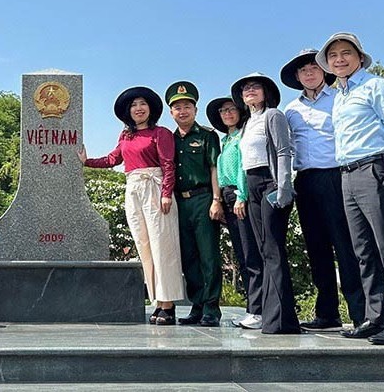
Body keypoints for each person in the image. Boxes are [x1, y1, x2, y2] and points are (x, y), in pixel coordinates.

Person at [316, 32, 384, 345]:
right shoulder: (340, 96)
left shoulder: (376, 86)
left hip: (374, 168)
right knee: (363, 251)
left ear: (360, 57)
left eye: (346, 53)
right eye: (333, 56)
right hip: (346, 175)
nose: (339, 59)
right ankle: (375, 318)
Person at [79, 87, 185, 325]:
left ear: (150, 109)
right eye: (134, 105)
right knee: (144, 246)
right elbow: (113, 159)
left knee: (162, 245)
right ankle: (156, 301)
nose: (138, 108)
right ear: (129, 111)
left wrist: (166, 194)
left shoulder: (161, 133)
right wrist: (86, 162)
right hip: (133, 187)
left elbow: (169, 164)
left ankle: (168, 304)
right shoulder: (125, 136)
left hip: (155, 188)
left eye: (142, 104)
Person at [281, 49, 365, 332]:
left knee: (345, 245)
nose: (309, 72)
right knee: (316, 248)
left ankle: (360, 313)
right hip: (305, 180)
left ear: (324, 70)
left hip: (336, 177)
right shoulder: (291, 110)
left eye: (313, 67)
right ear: (297, 76)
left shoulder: (340, 99)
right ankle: (327, 313)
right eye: (303, 70)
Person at [230, 73, 299, 334]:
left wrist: (283, 189)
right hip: (252, 184)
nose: (250, 91)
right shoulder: (248, 123)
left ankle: (282, 319)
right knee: (262, 250)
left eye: (255, 87)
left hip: (271, 183)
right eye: (246, 88)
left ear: (265, 92)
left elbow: (283, 151)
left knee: (273, 248)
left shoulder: (273, 115)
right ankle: (269, 315)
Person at [166, 81, 224, 327]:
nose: (182, 111)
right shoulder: (169, 138)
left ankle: (211, 308)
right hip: (180, 203)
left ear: (195, 110)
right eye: (177, 107)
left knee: (208, 255)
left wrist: (216, 200)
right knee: (188, 257)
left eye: (187, 106)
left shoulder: (208, 135)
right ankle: (197, 305)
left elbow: (214, 168)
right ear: (171, 112)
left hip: (203, 200)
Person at [205, 97, 262, 329]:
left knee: (251, 254)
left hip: (240, 194)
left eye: (231, 109)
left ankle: (258, 310)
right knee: (241, 252)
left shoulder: (243, 135)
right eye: (223, 110)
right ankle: (252, 307)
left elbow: (242, 167)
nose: (227, 113)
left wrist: (241, 196)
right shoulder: (226, 139)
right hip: (227, 195)